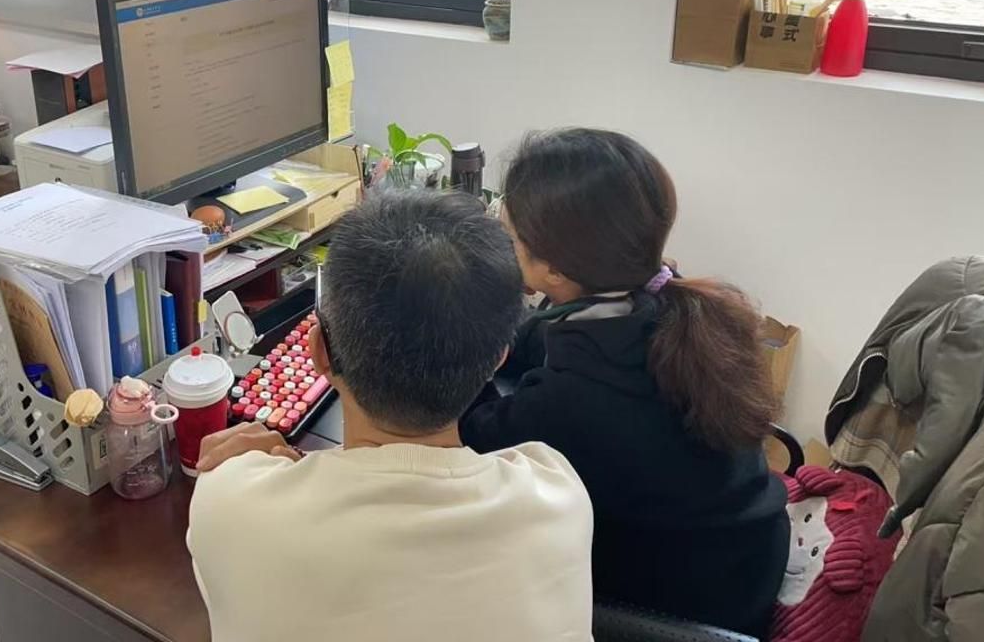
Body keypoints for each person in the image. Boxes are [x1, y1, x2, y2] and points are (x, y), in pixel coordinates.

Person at [188, 190, 595, 642]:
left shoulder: (228, 503)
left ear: (319, 351)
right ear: (498, 359)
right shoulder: (558, 495)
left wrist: (278, 464)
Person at [460, 128, 790, 638]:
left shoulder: (573, 401)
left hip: (686, 613)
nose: (503, 237)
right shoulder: (666, 305)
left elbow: (470, 433)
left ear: (554, 269)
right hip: (746, 556)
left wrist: (462, 335)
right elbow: (541, 338)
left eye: (511, 235)